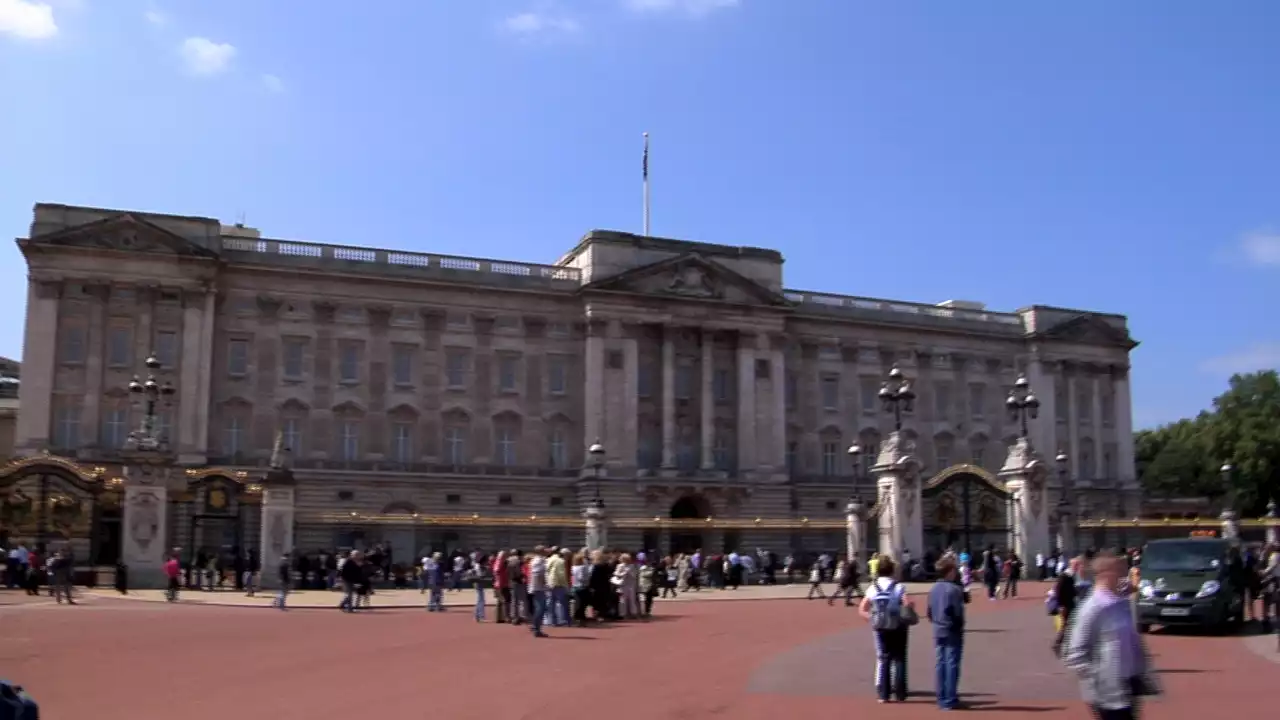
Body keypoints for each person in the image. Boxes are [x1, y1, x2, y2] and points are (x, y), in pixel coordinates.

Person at [1062, 553, 1159, 719]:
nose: (1123, 576)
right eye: (1119, 572)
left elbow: (1133, 641)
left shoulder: (1121, 604)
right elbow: (1075, 653)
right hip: (1107, 692)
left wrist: (1142, 671)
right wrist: (1099, 679)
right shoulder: (1091, 608)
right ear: (1106, 574)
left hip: (1128, 686)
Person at [858, 555, 915, 704]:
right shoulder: (898, 587)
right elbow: (907, 604)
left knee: (884, 659)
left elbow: (862, 609)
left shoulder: (873, 588)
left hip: (881, 626)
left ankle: (884, 694)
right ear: (891, 571)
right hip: (897, 625)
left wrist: (872, 618)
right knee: (900, 658)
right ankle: (901, 693)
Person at [927, 554, 966, 710]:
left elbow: (929, 612)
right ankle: (950, 698)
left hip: (938, 628)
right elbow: (957, 613)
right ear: (949, 571)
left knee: (940, 663)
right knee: (951, 664)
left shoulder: (933, 589)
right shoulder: (954, 590)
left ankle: (941, 696)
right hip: (952, 630)